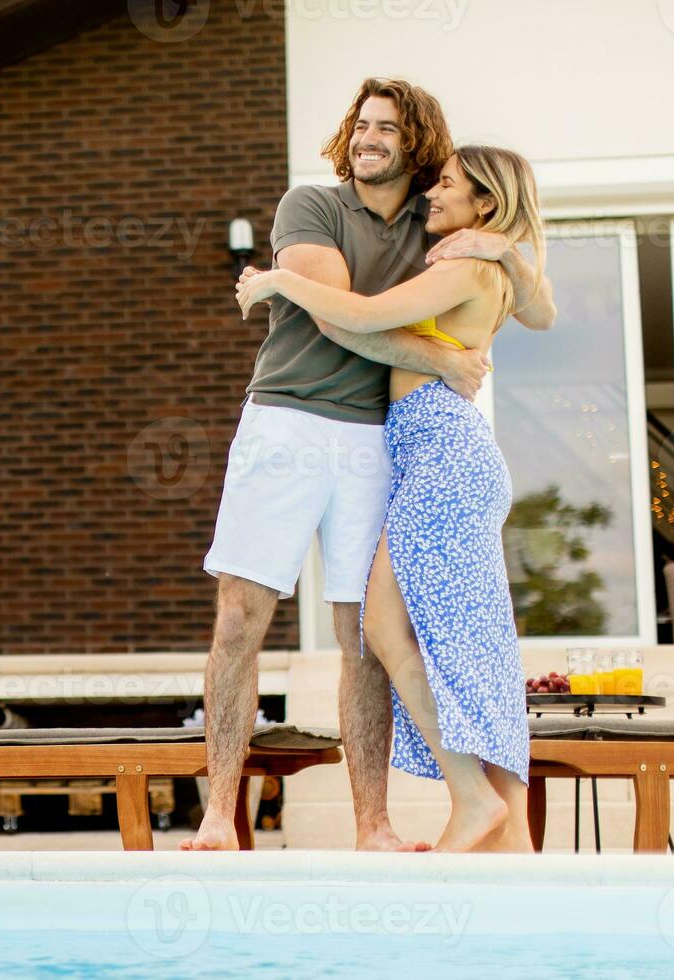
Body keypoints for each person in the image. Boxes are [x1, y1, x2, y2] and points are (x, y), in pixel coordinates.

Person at [180, 78, 555, 852]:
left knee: (364, 634)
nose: (368, 138)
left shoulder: (435, 225)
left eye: (387, 128)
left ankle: (375, 825)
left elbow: (539, 307)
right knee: (241, 617)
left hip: (377, 442)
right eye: (362, 124)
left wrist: (502, 248)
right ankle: (219, 813)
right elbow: (335, 312)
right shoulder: (310, 205)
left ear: (416, 144)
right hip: (286, 420)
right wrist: (439, 358)